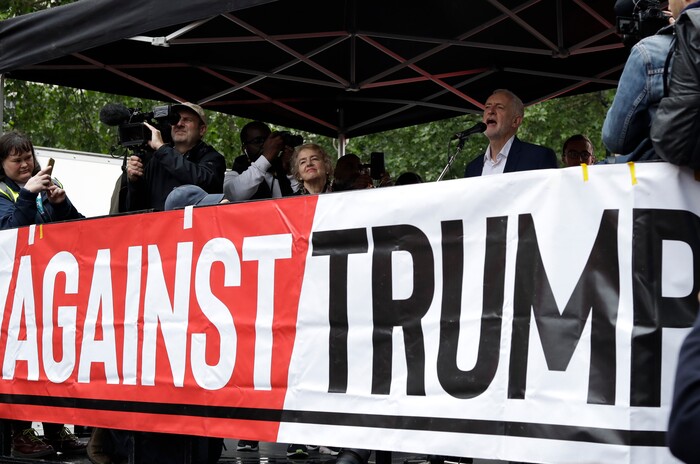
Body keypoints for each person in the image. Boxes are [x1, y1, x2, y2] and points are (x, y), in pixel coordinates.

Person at [0, 131, 87, 458]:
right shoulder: (5, 192)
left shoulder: (47, 187)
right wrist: (26, 196)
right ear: (2, 163)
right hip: (12, 298)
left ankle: (55, 429)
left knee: (52, 363)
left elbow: (81, 229)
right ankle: (20, 434)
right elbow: (8, 232)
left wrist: (60, 204)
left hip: (50, 293)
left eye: (28, 157)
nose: (25, 164)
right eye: (16, 159)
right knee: (18, 366)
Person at [601, 0, 687, 162]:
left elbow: (614, 139)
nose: (668, 7)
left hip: (669, 176)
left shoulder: (650, 52)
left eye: (670, 1)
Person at [124, 102, 226, 211]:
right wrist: (135, 182)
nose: (179, 124)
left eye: (187, 120)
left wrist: (161, 148)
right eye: (175, 119)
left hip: (194, 226)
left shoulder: (213, 157)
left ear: (202, 129)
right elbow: (134, 209)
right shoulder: (155, 158)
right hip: (158, 226)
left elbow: (203, 181)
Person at [463, 89, 557, 177]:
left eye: (499, 107)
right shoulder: (472, 168)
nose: (491, 111)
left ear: (515, 121)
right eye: (487, 107)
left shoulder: (538, 158)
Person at [223, 121, 300, 202]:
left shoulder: (280, 167)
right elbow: (233, 195)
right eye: (258, 141)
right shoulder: (234, 174)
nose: (266, 145)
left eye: (267, 140)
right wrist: (266, 157)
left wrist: (290, 170)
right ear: (244, 148)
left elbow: (303, 197)